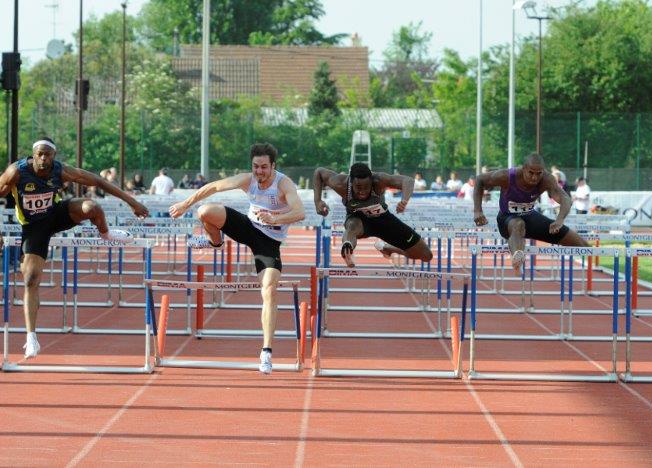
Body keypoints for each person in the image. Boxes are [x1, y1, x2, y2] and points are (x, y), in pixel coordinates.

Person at [0, 138, 148, 358]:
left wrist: (132, 202)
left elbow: (98, 181)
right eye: (39, 154)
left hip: (58, 214)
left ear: (54, 156)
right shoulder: (17, 172)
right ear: (33, 154)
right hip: (34, 226)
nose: (43, 159)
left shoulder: (60, 171)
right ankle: (31, 337)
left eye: (47, 154)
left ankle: (106, 234)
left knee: (92, 207)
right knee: (31, 278)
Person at [169, 143, 305, 375]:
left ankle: (266, 351)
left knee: (269, 289)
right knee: (205, 211)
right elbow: (213, 187)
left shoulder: (284, 184)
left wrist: (274, 218)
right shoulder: (247, 179)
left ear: (273, 166)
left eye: (264, 167)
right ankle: (215, 242)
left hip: (268, 241)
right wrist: (185, 204)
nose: (259, 172)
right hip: (247, 226)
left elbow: (300, 212)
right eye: (255, 167)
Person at [474, 153, 589, 272]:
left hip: (530, 217)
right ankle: (517, 259)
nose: (535, 177)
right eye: (531, 173)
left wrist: (560, 219)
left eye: (539, 173)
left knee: (584, 246)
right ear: (523, 169)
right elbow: (480, 180)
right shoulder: (507, 176)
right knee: (518, 225)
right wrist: (478, 211)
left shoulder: (546, 179)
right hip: (507, 219)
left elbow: (565, 198)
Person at [313, 162, 433, 268]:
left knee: (426, 255)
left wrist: (404, 200)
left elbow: (408, 180)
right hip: (358, 219)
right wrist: (317, 201)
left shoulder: (379, 180)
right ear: (350, 182)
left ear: (372, 181)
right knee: (352, 226)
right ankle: (347, 247)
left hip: (384, 220)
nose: (362, 192)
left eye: (366, 187)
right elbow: (319, 172)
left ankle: (388, 249)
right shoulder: (340, 183)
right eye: (358, 187)